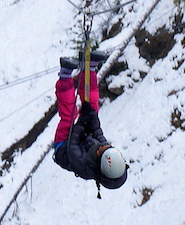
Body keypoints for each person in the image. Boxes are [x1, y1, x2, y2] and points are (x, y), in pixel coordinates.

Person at [52, 51, 128, 190]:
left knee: (70, 115)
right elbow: (98, 133)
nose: (106, 146)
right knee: (92, 106)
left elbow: (72, 145)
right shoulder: (106, 150)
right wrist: (92, 117)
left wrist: (82, 122)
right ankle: (89, 68)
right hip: (83, 138)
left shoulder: (84, 165)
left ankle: (65, 75)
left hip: (64, 146)